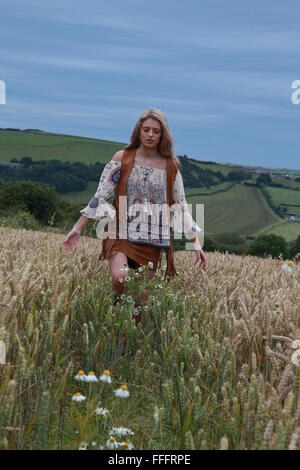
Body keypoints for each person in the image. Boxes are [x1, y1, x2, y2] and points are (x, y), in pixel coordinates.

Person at [62, 108, 207, 326]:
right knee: (120, 279)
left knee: (140, 301)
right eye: (146, 129)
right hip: (119, 231)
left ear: (162, 135)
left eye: (155, 131)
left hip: (153, 239)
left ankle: (126, 341)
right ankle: (116, 321)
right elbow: (102, 195)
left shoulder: (171, 166)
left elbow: (181, 206)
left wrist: (195, 242)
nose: (150, 134)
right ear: (138, 131)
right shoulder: (122, 158)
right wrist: (78, 227)